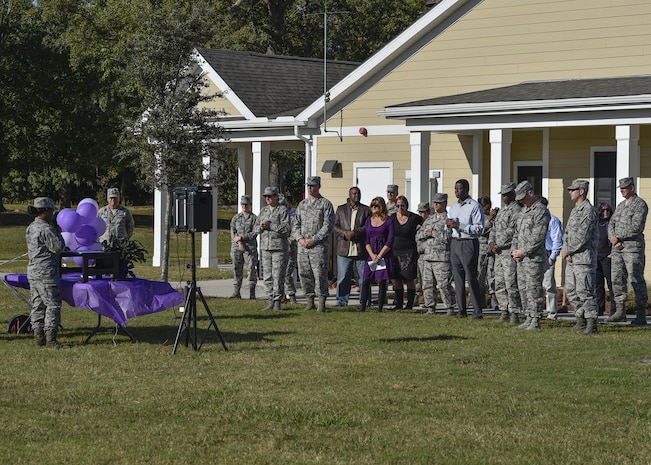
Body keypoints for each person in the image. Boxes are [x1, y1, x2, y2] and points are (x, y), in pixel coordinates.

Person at [606, 177, 649, 325]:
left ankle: (641, 313)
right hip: (617, 249)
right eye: (621, 188)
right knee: (617, 279)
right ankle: (620, 311)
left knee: (636, 279)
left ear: (632, 188)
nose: (622, 190)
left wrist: (618, 237)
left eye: (624, 188)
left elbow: (637, 227)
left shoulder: (640, 205)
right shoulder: (621, 206)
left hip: (632, 249)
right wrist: (613, 237)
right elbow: (611, 222)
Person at [26, 197, 67, 348]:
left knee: (37, 305)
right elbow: (58, 248)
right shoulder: (47, 228)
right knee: (52, 304)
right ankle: (51, 339)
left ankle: (38, 338)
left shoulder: (31, 227)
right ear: (46, 211)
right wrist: (58, 231)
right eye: (52, 211)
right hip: (47, 272)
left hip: (34, 271)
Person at [561, 180, 599, 334]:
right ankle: (580, 319)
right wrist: (566, 250)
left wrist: (568, 250)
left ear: (581, 191)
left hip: (583, 258)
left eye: (573, 190)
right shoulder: (575, 210)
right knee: (571, 290)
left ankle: (591, 322)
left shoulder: (588, 211)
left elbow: (582, 236)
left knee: (585, 291)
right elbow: (568, 234)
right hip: (571, 258)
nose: (570, 192)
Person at [511, 181, 550, 330]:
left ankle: (535, 319)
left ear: (530, 193)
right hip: (521, 257)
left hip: (534, 258)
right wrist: (515, 251)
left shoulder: (540, 210)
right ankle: (528, 316)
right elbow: (517, 233)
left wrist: (524, 251)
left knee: (534, 289)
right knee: (523, 288)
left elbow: (538, 236)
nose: (520, 200)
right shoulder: (523, 211)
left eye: (522, 197)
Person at [293, 176, 335, 312]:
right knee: (305, 274)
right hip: (303, 246)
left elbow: (328, 226)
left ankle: (321, 302)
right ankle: (309, 301)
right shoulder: (302, 205)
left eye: (313, 185)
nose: (310, 188)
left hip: (318, 246)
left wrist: (314, 239)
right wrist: (300, 239)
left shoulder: (325, 204)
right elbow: (296, 224)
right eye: (308, 186)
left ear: (319, 186)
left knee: (319, 274)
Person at [446, 179, 485, 319]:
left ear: (467, 190)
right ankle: (461, 311)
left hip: (468, 243)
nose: (457, 191)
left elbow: (479, 228)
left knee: (471, 277)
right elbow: (450, 225)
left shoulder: (474, 206)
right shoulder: (453, 207)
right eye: (455, 188)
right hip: (455, 242)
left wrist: (460, 226)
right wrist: (448, 225)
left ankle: (477, 311)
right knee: (457, 278)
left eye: (460, 188)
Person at [489, 182, 523, 324]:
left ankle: (514, 312)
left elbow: (512, 232)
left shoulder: (517, 211)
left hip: (508, 252)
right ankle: (504, 310)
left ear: (513, 194)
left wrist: (499, 244)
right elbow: (494, 229)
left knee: (511, 284)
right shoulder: (502, 211)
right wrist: (491, 242)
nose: (503, 197)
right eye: (502, 194)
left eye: (506, 194)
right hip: (498, 253)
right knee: (500, 283)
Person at [416, 193, 455, 315]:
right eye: (434, 203)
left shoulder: (448, 219)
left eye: (438, 202)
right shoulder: (429, 219)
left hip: (441, 258)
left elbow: (448, 237)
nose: (436, 205)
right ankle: (430, 307)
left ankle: (450, 307)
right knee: (427, 285)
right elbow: (418, 235)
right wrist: (426, 234)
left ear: (445, 203)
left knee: (444, 285)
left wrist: (434, 233)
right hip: (428, 257)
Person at [334, 187, 371, 307]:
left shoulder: (366, 210)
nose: (356, 195)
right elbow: (334, 226)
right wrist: (345, 233)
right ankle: (341, 301)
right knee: (343, 276)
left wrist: (356, 232)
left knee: (363, 278)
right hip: (344, 248)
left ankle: (365, 301)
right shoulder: (341, 209)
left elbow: (368, 226)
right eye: (354, 193)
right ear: (349, 195)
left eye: (358, 193)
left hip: (360, 249)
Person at [256, 187, 291, 310]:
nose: (267, 198)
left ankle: (277, 301)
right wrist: (261, 227)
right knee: (267, 276)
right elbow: (255, 228)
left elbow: (287, 228)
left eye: (270, 196)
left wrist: (271, 225)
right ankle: (270, 299)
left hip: (279, 249)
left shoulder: (282, 210)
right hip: (266, 248)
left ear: (276, 197)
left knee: (278, 276)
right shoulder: (263, 211)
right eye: (266, 196)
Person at [360, 197, 394, 312]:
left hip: (383, 254)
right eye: (372, 205)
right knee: (366, 280)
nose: (374, 208)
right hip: (372, 254)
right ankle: (362, 307)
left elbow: (390, 241)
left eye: (377, 205)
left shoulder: (388, 221)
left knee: (381, 282)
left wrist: (379, 256)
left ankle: (379, 308)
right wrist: (373, 255)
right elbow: (366, 241)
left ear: (382, 207)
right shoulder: (369, 220)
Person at [391, 195, 422, 310]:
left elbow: (424, 225)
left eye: (402, 205)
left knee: (409, 279)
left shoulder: (414, 218)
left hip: (409, 252)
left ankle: (409, 304)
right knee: (397, 278)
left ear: (406, 206)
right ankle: (399, 304)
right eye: (398, 206)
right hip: (395, 252)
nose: (400, 208)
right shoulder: (392, 218)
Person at [229, 195, 259, 300]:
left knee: (251, 269)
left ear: (250, 205)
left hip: (250, 248)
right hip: (237, 247)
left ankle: (252, 293)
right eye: (242, 204)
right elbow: (233, 233)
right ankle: (236, 291)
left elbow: (254, 233)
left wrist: (242, 238)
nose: (244, 206)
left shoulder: (254, 218)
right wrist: (239, 242)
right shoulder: (236, 218)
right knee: (236, 268)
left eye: (246, 204)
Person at [540, 197, 563, 321]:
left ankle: (552, 313)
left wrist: (554, 256)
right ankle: (536, 311)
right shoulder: (536, 219)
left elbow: (557, 239)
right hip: (536, 254)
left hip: (548, 254)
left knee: (549, 285)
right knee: (536, 284)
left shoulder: (553, 220)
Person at [596, 202, 615, 317]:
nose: (605, 212)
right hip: (597, 257)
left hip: (608, 257)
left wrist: (612, 253)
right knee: (598, 285)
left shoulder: (611, 224)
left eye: (607, 210)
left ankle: (614, 310)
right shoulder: (596, 224)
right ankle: (599, 309)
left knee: (611, 284)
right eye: (603, 210)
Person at [477, 197, 497, 309]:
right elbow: (481, 231)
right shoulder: (478, 217)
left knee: (492, 274)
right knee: (480, 275)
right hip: (481, 249)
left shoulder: (493, 217)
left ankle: (494, 300)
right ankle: (480, 300)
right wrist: (489, 219)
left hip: (491, 250)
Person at [280, 195, 298, 304]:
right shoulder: (278, 218)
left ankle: (291, 296)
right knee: (278, 274)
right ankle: (280, 296)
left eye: (284, 205)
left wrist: (287, 241)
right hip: (278, 250)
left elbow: (295, 233)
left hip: (290, 250)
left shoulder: (293, 218)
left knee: (287, 273)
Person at [415, 202, 431, 306]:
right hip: (417, 255)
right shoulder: (416, 223)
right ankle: (415, 299)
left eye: (423, 212)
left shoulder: (431, 222)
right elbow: (417, 237)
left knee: (426, 281)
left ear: (428, 212)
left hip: (427, 255)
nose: (421, 215)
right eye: (419, 212)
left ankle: (428, 301)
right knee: (417, 280)